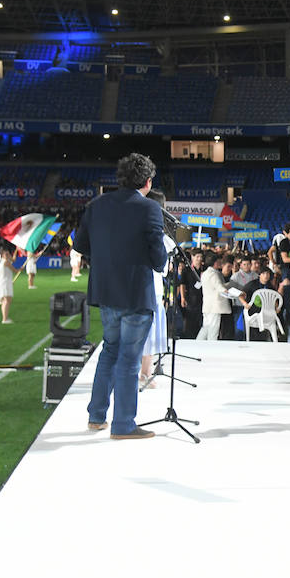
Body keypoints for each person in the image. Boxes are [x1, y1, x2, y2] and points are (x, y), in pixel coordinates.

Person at [74, 152, 168, 440]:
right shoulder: (149, 208)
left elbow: (81, 244)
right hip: (135, 293)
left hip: (105, 291)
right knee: (129, 358)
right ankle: (123, 424)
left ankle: (96, 417)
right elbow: (157, 254)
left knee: (110, 351)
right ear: (148, 182)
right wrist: (159, 262)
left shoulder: (96, 205)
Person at [139, 188, 172, 390]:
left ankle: (142, 372)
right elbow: (164, 268)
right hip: (151, 289)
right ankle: (144, 373)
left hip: (137, 289)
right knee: (148, 335)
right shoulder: (157, 234)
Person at [0, 243, 20, 324]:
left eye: (8, 253)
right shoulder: (5, 262)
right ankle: (5, 319)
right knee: (7, 300)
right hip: (4, 283)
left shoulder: (5, 261)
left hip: (4, 282)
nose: (8, 255)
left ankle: (5, 318)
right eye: (6, 254)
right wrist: (21, 269)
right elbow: (15, 270)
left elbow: (13, 262)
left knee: (6, 300)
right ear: (2, 255)